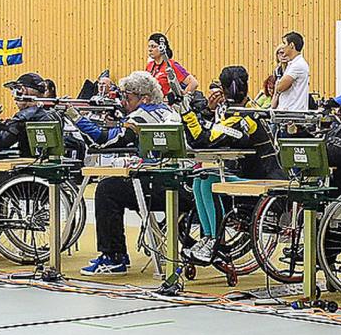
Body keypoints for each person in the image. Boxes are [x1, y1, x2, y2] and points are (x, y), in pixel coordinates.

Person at [73, 71, 184, 275]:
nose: (124, 101)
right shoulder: (167, 110)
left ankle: (114, 257)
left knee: (107, 190)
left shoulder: (139, 116)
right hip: (180, 184)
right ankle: (116, 254)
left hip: (160, 185)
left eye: (128, 97)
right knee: (115, 186)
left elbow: (104, 139)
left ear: (145, 98)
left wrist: (77, 118)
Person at [181, 66, 285, 261]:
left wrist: (188, 114)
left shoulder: (245, 115)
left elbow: (205, 139)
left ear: (223, 89)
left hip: (263, 178)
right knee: (200, 179)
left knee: (210, 181)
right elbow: (215, 135)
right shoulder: (238, 110)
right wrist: (209, 111)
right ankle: (208, 237)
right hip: (245, 172)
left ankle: (215, 241)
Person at [145, 33, 199, 98]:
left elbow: (193, 83)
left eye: (153, 46)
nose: (150, 49)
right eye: (149, 46)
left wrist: (182, 97)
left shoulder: (171, 65)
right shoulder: (149, 66)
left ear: (162, 47)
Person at [272, 31, 309, 110]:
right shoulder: (293, 63)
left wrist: (278, 84)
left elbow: (280, 87)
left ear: (291, 45)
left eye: (284, 43)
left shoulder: (297, 65)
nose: (283, 46)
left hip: (292, 113)